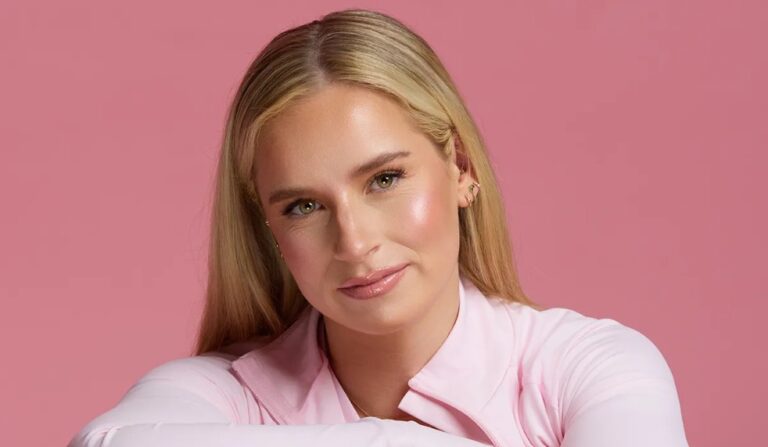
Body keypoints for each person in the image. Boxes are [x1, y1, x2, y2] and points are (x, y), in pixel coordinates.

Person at [68, 8, 689, 447]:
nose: (355, 242)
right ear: (270, 230)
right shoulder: (221, 393)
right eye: (303, 206)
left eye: (384, 179)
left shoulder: (587, 368)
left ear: (462, 169)